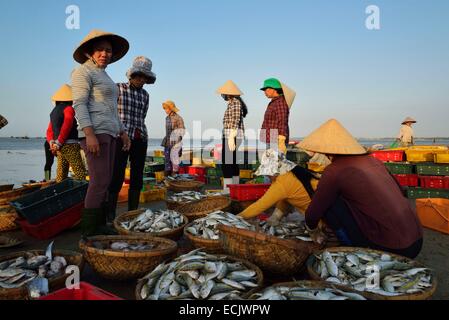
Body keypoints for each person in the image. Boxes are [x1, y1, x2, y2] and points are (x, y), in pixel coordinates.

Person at [298, 119, 423, 258]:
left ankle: (351, 248)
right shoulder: (374, 161)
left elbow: (313, 213)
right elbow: (400, 192)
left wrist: (312, 229)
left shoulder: (334, 170)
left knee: (330, 203)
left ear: (327, 153)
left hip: (393, 248)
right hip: (417, 240)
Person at [71, 29, 131, 236]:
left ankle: (99, 224)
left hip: (111, 133)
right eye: (100, 50)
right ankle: (88, 232)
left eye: (108, 50)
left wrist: (123, 132)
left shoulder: (104, 74)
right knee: (98, 182)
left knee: (107, 181)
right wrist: (89, 134)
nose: (104, 53)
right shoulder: (82, 72)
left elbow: (112, 108)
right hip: (96, 132)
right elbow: (79, 104)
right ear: (89, 52)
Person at [107, 56, 156, 222]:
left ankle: (133, 214)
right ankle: (110, 215)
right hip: (121, 137)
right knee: (116, 175)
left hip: (140, 137)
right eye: (138, 76)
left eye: (144, 77)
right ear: (132, 74)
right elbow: (110, 112)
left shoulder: (145, 95)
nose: (141, 80)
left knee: (137, 176)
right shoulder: (118, 88)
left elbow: (142, 116)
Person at [238, 149, 318, 226]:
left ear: (274, 170)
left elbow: (259, 206)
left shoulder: (282, 183)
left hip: (320, 219)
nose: (267, 176)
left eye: (267, 173)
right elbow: (286, 197)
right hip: (323, 209)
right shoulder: (290, 172)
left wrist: (238, 217)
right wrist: (276, 215)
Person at [46, 84, 87, 183]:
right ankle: (81, 194)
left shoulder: (53, 111)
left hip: (59, 146)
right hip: (70, 145)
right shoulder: (69, 109)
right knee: (80, 172)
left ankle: (59, 193)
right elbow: (67, 125)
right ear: (70, 99)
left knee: (61, 173)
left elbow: (49, 130)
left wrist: (52, 142)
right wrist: (59, 142)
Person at [216, 80, 248, 192]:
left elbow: (235, 120)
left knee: (227, 163)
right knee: (233, 162)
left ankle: (227, 190)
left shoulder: (235, 103)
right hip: (232, 135)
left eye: (224, 93)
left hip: (232, 135)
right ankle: (235, 188)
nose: (222, 95)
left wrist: (230, 138)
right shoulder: (233, 103)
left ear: (228, 93)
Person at [259, 78, 295, 154]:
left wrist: (281, 139)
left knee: (275, 164)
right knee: (270, 164)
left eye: (267, 89)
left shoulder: (280, 102)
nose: (265, 92)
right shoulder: (274, 102)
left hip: (276, 140)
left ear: (274, 89)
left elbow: (282, 120)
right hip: (270, 139)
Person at [161, 101, 185, 176]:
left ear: (171, 109)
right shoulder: (167, 118)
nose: (165, 110)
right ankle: (167, 178)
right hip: (167, 141)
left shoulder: (178, 118)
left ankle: (175, 178)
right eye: (164, 109)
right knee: (167, 160)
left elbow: (182, 130)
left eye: (166, 109)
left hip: (176, 142)